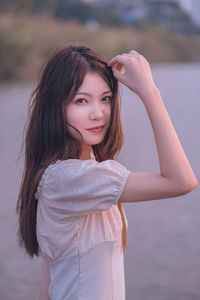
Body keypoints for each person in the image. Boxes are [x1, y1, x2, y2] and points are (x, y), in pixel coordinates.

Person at [16, 43, 198, 300]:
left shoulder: (68, 173)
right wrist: (149, 92)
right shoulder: (69, 179)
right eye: (81, 100)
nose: (98, 113)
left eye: (106, 99)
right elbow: (181, 181)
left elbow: (50, 281)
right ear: (55, 106)